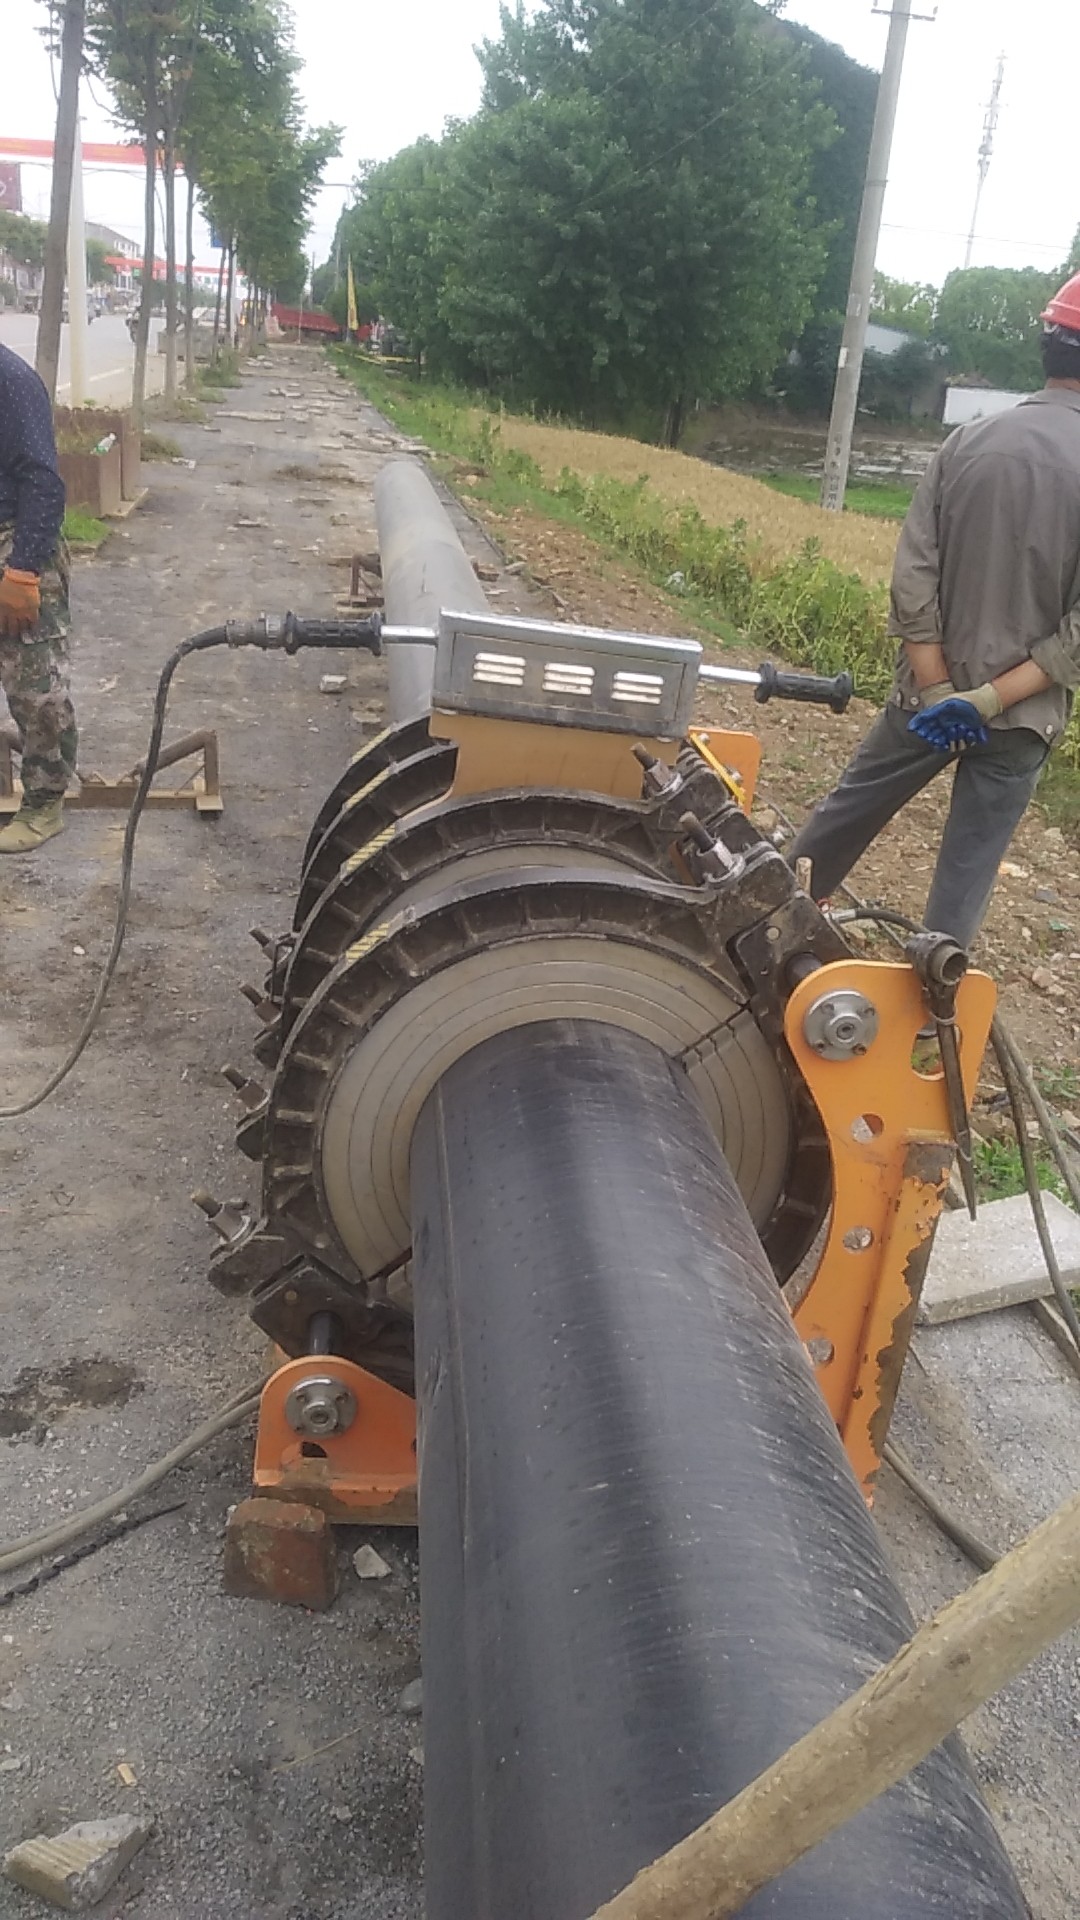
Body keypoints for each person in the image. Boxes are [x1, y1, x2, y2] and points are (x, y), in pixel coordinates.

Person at [790, 272, 1080, 949]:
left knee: (839, 824)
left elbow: (913, 577)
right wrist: (987, 701)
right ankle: (931, 997)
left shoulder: (968, 442)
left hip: (924, 698)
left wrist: (942, 690)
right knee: (964, 881)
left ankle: (760, 928)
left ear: (1047, 345)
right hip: (1020, 718)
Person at [0, 341, 76, 854]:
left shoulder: (11, 381)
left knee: (34, 687)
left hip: (15, 544)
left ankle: (44, 805)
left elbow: (44, 481)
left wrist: (24, 570)